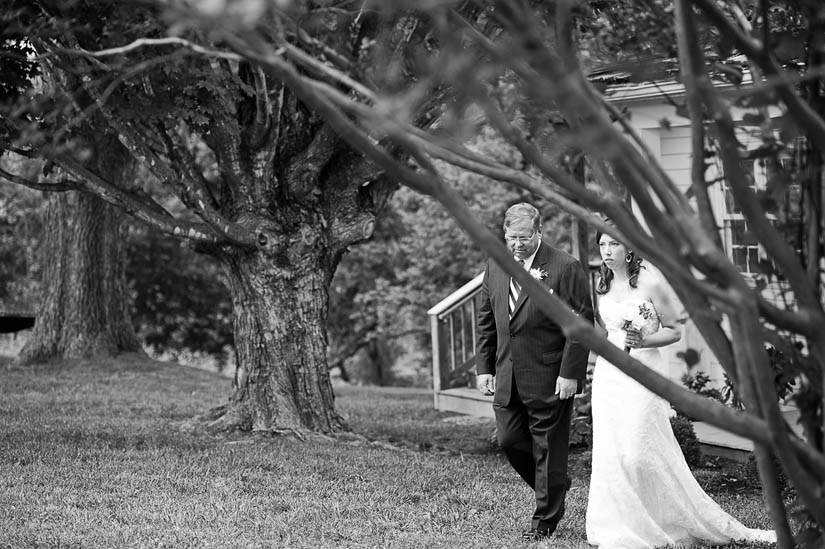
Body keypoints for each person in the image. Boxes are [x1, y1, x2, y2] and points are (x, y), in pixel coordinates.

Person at [586, 229, 776, 548]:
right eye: (602, 244)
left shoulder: (649, 281)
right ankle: (620, 524)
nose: (607, 250)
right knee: (612, 450)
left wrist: (644, 339)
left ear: (629, 248)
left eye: (614, 243)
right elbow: (605, 331)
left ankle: (664, 519)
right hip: (610, 375)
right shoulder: (602, 283)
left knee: (637, 451)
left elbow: (675, 331)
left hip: (644, 370)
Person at [476, 202, 594, 542]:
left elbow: (581, 322)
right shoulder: (496, 263)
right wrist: (485, 367)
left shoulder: (564, 267)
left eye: (524, 238)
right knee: (510, 440)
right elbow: (487, 319)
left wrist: (570, 372)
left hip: (550, 374)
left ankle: (544, 519)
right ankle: (555, 483)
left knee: (548, 447)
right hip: (507, 375)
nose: (516, 244)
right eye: (511, 237)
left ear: (539, 233)